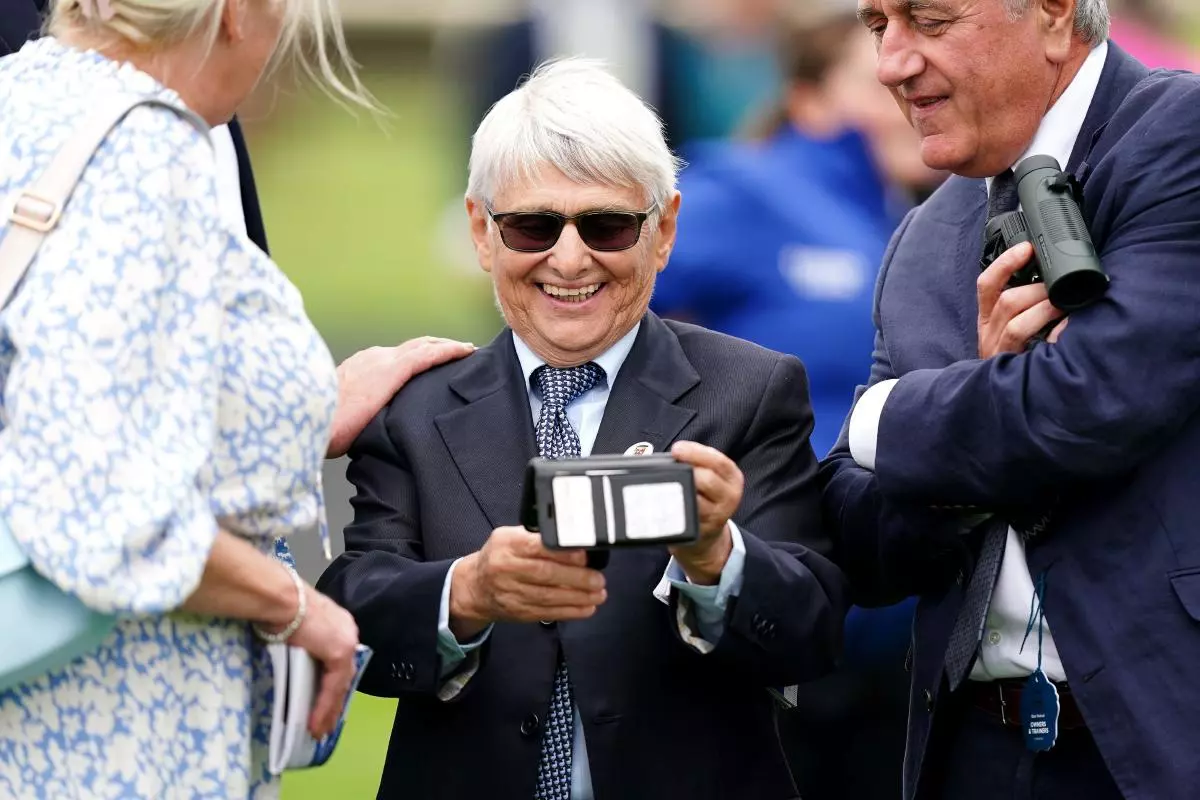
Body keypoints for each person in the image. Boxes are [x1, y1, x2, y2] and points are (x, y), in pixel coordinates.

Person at [317, 58, 848, 799]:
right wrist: (466, 593)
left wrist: (715, 553)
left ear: (663, 232)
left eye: (607, 224)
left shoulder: (751, 389)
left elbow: (813, 630)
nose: (570, 258)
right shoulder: (416, 408)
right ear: (481, 231)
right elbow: (353, 613)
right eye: (533, 226)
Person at [0, 0, 474, 796]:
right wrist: (295, 607)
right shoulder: (141, 150)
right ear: (233, 12)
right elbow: (106, 507)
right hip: (113, 725)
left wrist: (302, 412)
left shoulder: (26, 97)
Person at [821, 0, 1200, 798]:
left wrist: (879, 417)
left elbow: (1093, 402)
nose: (891, 62)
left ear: (1056, 13)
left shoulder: (1180, 137)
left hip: (1162, 739)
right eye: (877, 25)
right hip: (975, 749)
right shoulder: (925, 236)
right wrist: (980, 414)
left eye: (929, 20)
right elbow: (856, 535)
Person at [650, 8, 941, 800]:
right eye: (874, 72)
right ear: (810, 101)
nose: (902, 84)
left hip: (898, 624)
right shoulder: (749, 189)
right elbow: (595, 287)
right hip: (773, 599)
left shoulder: (925, 213)